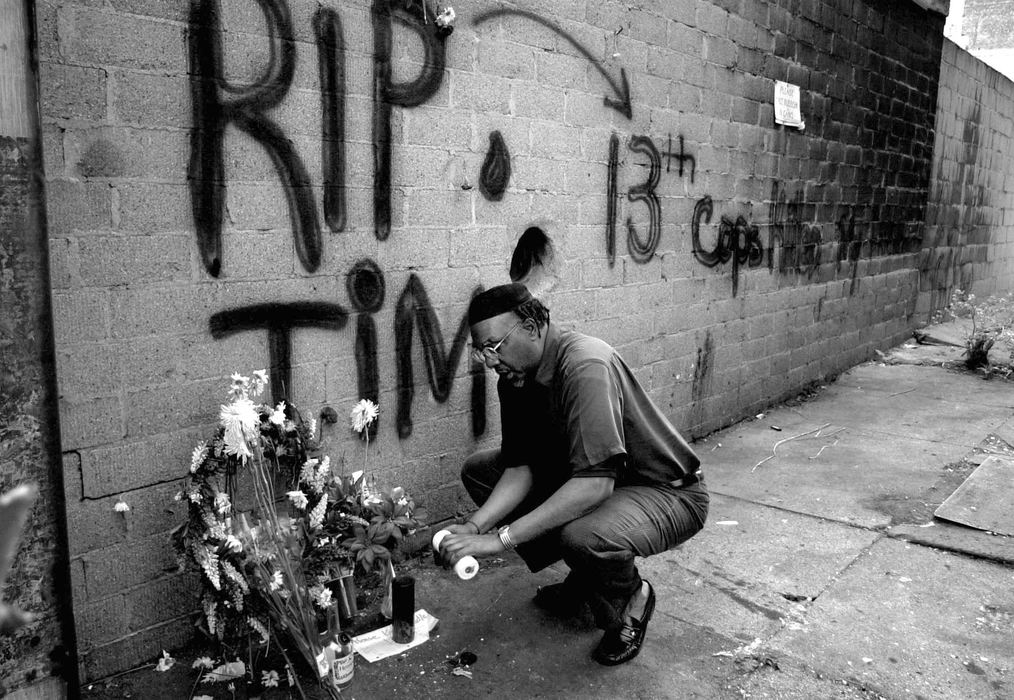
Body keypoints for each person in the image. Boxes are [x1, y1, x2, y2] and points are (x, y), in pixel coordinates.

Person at [435, 283, 709, 665]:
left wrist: (500, 541)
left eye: (494, 348)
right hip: (603, 484)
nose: (490, 360)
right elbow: (520, 468)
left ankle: (631, 597)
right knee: (482, 471)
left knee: (582, 534)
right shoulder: (515, 376)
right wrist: (476, 528)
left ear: (531, 327)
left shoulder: (585, 364)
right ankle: (587, 578)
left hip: (666, 492)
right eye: (481, 351)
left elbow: (595, 485)